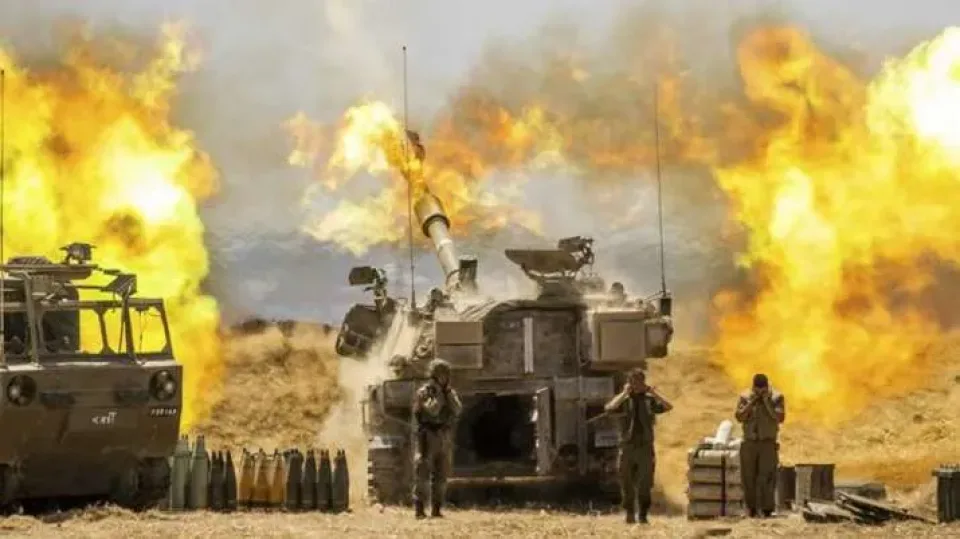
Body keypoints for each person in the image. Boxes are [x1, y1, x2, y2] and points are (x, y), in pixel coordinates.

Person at [604, 368, 673, 524]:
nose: (636, 385)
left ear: (643, 382)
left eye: (639, 382)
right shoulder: (624, 401)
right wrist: (624, 393)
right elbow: (609, 408)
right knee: (626, 482)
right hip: (627, 446)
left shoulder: (649, 400)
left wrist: (654, 393)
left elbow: (668, 406)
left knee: (645, 484)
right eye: (633, 382)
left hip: (645, 447)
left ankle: (643, 515)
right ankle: (629, 513)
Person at [412, 358, 462, 519]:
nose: (444, 378)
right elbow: (432, 410)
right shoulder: (425, 392)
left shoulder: (448, 392)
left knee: (441, 475)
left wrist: (448, 394)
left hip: (443, 435)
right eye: (441, 375)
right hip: (427, 436)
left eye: (446, 375)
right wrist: (439, 394)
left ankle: (436, 509)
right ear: (434, 375)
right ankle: (419, 509)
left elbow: (457, 409)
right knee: (423, 473)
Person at [735, 373, 786, 518]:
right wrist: (752, 402)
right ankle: (750, 508)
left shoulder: (777, 397)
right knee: (748, 477)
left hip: (767, 443)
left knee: (767, 476)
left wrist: (766, 402)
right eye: (756, 389)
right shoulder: (745, 396)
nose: (759, 391)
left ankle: (767, 508)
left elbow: (779, 417)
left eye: (762, 389)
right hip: (750, 442)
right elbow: (739, 416)